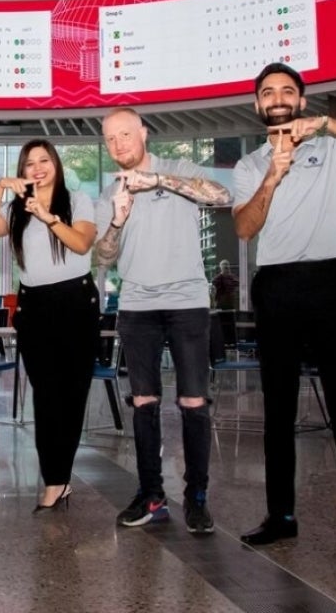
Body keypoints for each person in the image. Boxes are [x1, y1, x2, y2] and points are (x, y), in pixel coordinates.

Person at [233, 62, 336, 571]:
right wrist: (272, 177)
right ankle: (281, 516)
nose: (277, 98)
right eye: (268, 92)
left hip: (328, 283)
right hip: (276, 285)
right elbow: (244, 228)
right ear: (259, 106)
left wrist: (327, 124)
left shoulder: (333, 146)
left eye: (287, 90)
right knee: (277, 411)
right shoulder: (248, 165)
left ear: (301, 101)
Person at [95, 107, 231, 535]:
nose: (119, 144)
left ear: (144, 133)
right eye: (111, 138)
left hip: (187, 300)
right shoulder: (108, 191)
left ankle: (197, 496)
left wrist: (157, 181)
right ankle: (152, 496)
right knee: (143, 403)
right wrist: (117, 219)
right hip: (136, 305)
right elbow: (103, 256)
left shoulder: (179, 169)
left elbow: (219, 196)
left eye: (125, 134)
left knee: (193, 403)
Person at [0, 139, 98, 512]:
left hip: (76, 302)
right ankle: (54, 479)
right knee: (44, 396)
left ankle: (59, 478)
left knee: (72, 394)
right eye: (30, 163)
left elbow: (81, 244)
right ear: (22, 171)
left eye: (45, 160)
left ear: (56, 164)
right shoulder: (18, 210)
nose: (38, 168)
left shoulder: (77, 200)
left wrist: (49, 218)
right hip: (35, 305)